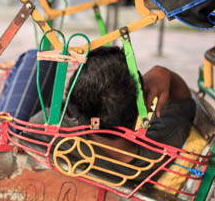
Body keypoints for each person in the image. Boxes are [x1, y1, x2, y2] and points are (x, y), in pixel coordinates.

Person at [61, 46, 195, 162]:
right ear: (143, 107)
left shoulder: (52, 133)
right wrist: (166, 74)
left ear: (73, 106)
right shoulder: (157, 153)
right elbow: (183, 103)